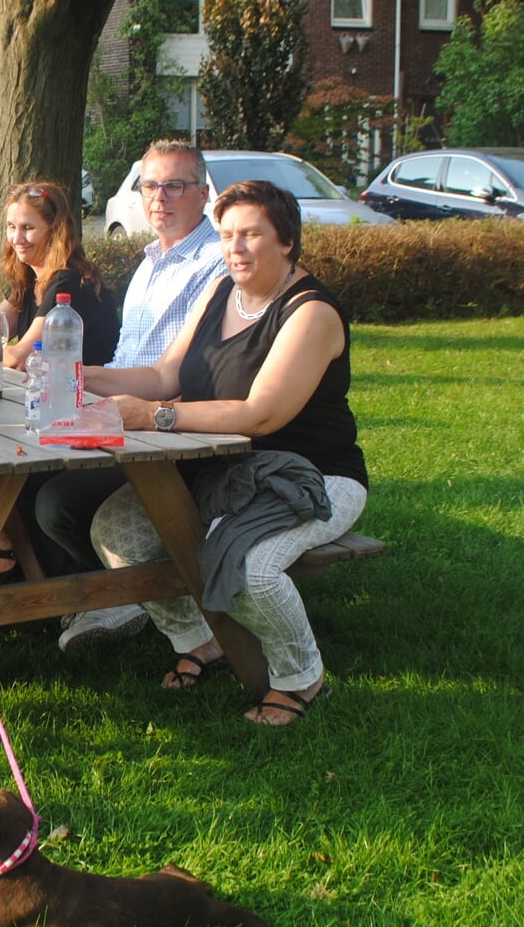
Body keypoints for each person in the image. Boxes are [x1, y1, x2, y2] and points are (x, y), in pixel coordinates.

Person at [86, 181, 367, 727]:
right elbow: (164, 374)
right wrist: (77, 375)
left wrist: (155, 416)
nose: (235, 247)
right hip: (223, 470)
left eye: (251, 234)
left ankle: (300, 675)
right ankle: (201, 638)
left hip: (311, 479)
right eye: (227, 235)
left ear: (287, 241)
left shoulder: (311, 313)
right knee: (115, 531)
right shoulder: (221, 291)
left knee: (250, 567)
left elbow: (261, 413)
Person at [31, 140, 226, 652]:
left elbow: (175, 376)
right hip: (126, 415)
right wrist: (75, 381)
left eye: (175, 185)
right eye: (149, 186)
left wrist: (85, 384)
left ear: (203, 193)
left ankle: (121, 599)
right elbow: (125, 358)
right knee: (33, 477)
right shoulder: (148, 262)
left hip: (171, 432)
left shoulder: (217, 263)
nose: (159, 197)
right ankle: (88, 599)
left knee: (54, 501)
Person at [0, 180, 118, 370]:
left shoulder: (68, 281)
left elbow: (19, 359)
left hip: (88, 395)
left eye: (28, 228)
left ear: (55, 231)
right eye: (11, 226)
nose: (16, 239)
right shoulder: (29, 278)